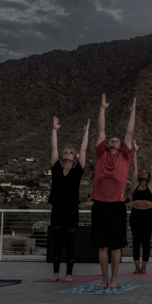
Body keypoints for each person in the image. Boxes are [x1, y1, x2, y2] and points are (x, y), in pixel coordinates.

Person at [91, 94, 137, 289]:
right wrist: (102, 108)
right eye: (111, 140)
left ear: (121, 147)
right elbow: (101, 129)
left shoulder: (125, 157)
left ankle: (114, 279)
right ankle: (103, 278)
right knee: (103, 246)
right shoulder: (101, 154)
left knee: (116, 246)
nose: (113, 141)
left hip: (117, 205)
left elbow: (130, 131)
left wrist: (133, 110)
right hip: (100, 204)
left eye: (116, 140)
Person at [47, 116, 89, 282]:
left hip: (71, 209)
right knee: (57, 242)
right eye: (66, 151)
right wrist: (55, 130)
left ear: (75, 158)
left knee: (70, 242)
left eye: (71, 152)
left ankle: (69, 273)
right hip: (57, 208)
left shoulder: (78, 170)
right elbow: (54, 149)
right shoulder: (56, 168)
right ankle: (56, 273)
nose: (67, 153)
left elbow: (84, 150)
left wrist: (86, 132)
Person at [129, 139, 152, 275]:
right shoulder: (134, 185)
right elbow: (134, 167)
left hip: (147, 216)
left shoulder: (151, 186)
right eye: (142, 172)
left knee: (146, 241)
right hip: (135, 215)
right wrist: (135, 151)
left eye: (145, 173)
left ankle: (144, 267)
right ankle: (136, 267)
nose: (143, 172)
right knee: (136, 241)